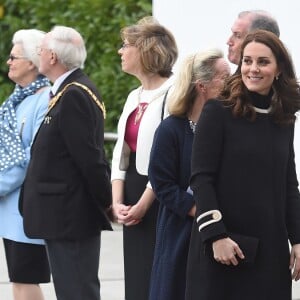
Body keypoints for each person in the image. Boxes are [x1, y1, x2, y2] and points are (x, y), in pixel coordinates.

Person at [185, 30, 300, 300]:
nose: (253, 69)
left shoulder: (283, 117)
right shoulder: (217, 111)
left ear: (279, 68)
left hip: (270, 250)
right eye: (247, 61)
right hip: (225, 247)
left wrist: (297, 239)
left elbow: (288, 183)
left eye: (263, 62)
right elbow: (201, 178)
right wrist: (215, 236)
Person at [19, 25, 112, 300]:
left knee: (76, 291)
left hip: (70, 216)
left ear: (53, 57)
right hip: (62, 215)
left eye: (42, 48)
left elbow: (90, 158)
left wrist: (106, 200)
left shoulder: (74, 94)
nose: (38, 53)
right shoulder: (68, 91)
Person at [148, 49, 230, 300]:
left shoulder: (229, 126)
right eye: (224, 77)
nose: (232, 82)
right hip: (181, 230)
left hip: (223, 229)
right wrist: (203, 211)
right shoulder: (171, 129)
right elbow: (162, 184)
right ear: (201, 85)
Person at [111, 16, 178, 300]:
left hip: (160, 196)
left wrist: (143, 204)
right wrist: (117, 201)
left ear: (146, 50)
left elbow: (169, 158)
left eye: (126, 45)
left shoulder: (173, 93)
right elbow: (121, 153)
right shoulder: (133, 95)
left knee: (157, 278)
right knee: (136, 278)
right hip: (133, 193)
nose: (120, 51)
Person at [0, 29, 51, 300]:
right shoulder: (17, 98)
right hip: (10, 208)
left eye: (13, 56)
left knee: (27, 278)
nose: (9, 61)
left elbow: (33, 157)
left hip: (26, 209)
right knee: (18, 280)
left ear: (32, 61)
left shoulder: (44, 99)